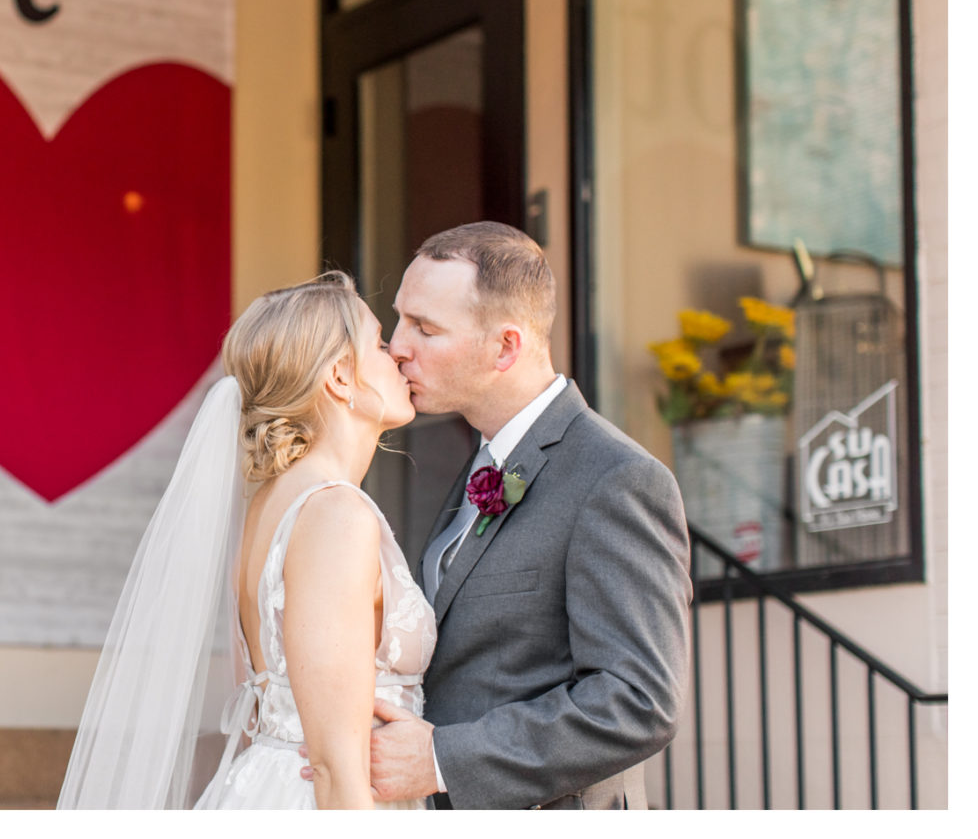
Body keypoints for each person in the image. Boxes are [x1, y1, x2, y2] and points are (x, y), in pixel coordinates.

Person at [307, 221, 691, 809]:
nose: (398, 346)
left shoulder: (615, 479)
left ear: (505, 346)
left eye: (426, 328)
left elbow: (637, 700)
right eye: (401, 319)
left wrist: (441, 760)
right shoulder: (478, 464)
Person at [58, 272, 435, 809]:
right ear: (339, 379)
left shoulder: (267, 507)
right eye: (377, 343)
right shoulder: (335, 515)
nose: (396, 354)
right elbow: (332, 766)